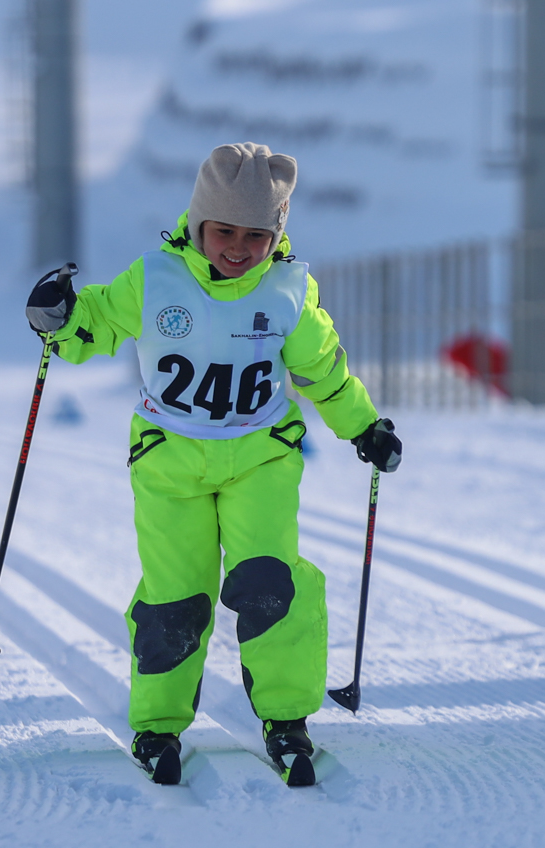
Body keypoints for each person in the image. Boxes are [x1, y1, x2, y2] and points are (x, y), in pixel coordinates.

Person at [23, 141, 402, 787]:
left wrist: (363, 426)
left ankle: (286, 719)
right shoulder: (156, 278)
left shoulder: (287, 291)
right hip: (169, 462)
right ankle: (158, 724)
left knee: (268, 584)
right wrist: (57, 316)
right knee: (177, 599)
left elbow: (324, 372)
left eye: (256, 234)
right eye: (223, 230)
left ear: (276, 233)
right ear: (198, 223)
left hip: (261, 458)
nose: (237, 246)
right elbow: (96, 325)